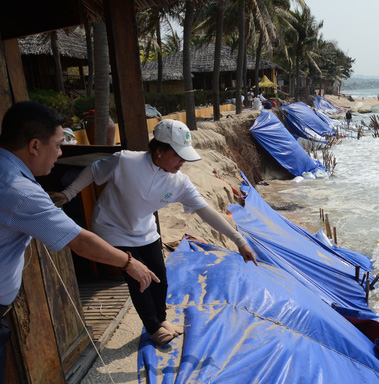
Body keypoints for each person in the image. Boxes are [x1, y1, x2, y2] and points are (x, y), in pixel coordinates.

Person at [0, 101, 159, 384]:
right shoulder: (17, 188)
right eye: (57, 145)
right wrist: (129, 263)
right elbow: (79, 241)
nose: (60, 153)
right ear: (34, 145)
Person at [52, 119, 258, 347]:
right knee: (139, 277)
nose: (182, 162)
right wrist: (68, 194)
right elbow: (93, 170)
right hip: (112, 227)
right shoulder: (126, 161)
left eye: (184, 156)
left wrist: (239, 242)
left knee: (159, 275)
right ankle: (153, 328)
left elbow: (206, 212)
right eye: (177, 155)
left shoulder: (179, 182)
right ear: (158, 150)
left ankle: (161, 320)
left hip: (145, 229)